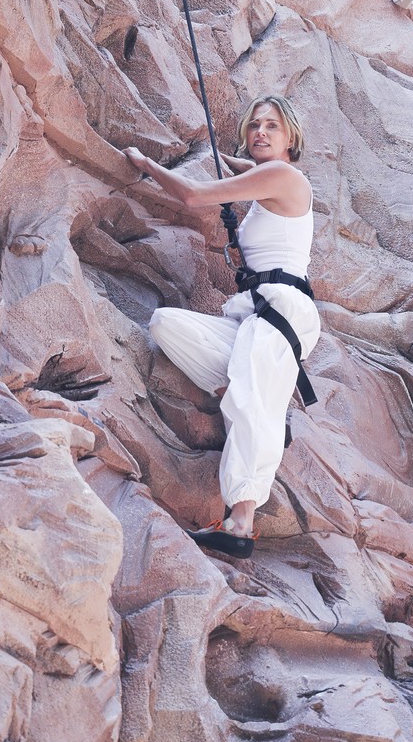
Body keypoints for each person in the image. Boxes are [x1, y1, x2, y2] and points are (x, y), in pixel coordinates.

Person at [123, 94, 321, 558]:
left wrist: (147, 165)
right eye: (254, 126)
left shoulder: (283, 176)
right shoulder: (264, 178)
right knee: (166, 324)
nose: (260, 133)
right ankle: (250, 397)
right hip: (255, 314)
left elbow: (194, 197)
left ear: (291, 138)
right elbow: (241, 168)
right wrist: (230, 159)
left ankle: (239, 521)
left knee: (252, 401)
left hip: (282, 311)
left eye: (272, 126)